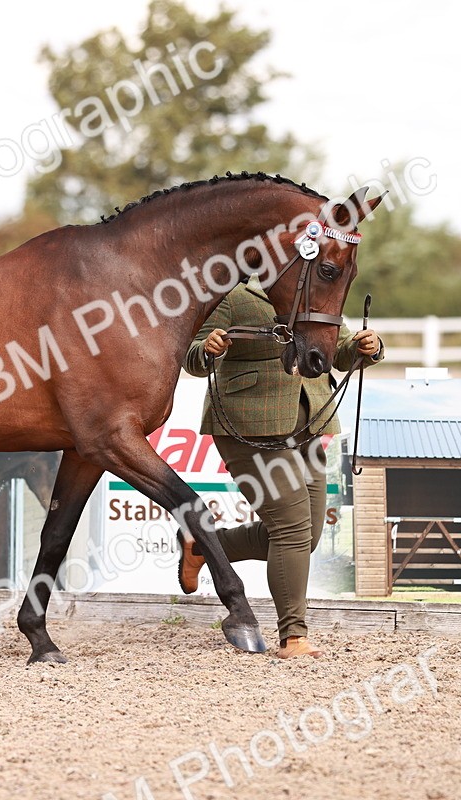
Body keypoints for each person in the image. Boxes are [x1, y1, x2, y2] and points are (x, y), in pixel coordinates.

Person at [180, 276, 385, 659]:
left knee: (309, 536)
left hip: (309, 422)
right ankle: (293, 636)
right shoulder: (230, 292)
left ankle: (204, 548)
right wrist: (209, 349)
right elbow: (191, 356)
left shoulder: (311, 287)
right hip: (248, 425)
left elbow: (336, 350)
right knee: (291, 529)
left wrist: (363, 347)